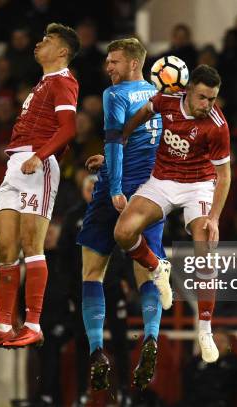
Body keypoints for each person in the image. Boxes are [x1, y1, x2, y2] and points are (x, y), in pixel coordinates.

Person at [0, 23, 80, 350]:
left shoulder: (64, 81)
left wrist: (41, 155)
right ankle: (3, 325)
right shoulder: (43, 83)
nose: (38, 43)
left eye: (47, 40)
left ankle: (33, 323)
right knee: (5, 248)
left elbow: (69, 128)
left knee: (33, 244)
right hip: (15, 164)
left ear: (62, 51)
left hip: (38, 164)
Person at [113, 65, 231, 363]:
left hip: (199, 185)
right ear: (188, 90)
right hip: (163, 180)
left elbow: (225, 176)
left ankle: (204, 328)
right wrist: (123, 138)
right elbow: (144, 112)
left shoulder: (217, 125)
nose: (208, 105)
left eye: (213, 99)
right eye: (203, 97)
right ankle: (156, 268)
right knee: (123, 233)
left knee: (206, 245)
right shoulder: (166, 99)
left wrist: (214, 218)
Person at [77, 38, 165, 391]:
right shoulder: (160, 95)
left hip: (115, 191)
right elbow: (147, 140)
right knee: (147, 270)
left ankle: (97, 349)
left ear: (132, 63)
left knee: (92, 271)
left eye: (113, 61)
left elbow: (114, 142)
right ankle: (152, 337)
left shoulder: (114, 95)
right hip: (152, 192)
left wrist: (114, 186)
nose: (108, 67)